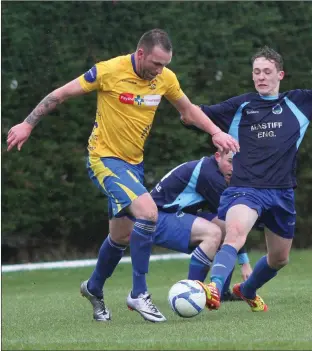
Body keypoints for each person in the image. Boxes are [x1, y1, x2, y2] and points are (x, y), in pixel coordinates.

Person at [6, 29, 239, 323]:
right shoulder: (108, 71)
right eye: (156, 63)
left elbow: (188, 111)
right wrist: (28, 124)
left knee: (120, 236)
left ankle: (93, 288)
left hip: (133, 165)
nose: (160, 70)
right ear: (140, 54)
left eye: (165, 64)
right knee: (149, 212)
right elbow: (60, 95)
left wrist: (216, 132)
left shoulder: (165, 79)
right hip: (104, 160)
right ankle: (139, 294)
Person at [181, 46, 312, 312]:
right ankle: (215, 287)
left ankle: (247, 289)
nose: (261, 77)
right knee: (236, 233)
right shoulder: (240, 106)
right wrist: (176, 99)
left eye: (267, 72)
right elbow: (192, 113)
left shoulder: (298, 103)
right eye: (256, 72)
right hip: (245, 189)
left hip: (282, 192)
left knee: (279, 258)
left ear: (281, 75)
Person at [150, 150, 253, 301]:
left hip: (171, 215)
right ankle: (188, 296)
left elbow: (228, 224)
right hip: (157, 219)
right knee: (213, 233)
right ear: (218, 156)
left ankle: (221, 292)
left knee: (224, 227)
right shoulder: (210, 176)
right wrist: (245, 263)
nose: (234, 168)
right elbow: (234, 221)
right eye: (230, 161)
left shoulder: (212, 169)